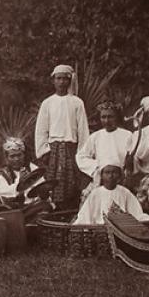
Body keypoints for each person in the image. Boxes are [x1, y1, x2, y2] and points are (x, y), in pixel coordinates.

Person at [35, 64, 90, 210]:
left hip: (71, 149)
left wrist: (82, 154)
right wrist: (43, 151)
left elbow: (83, 130)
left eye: (65, 79)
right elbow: (41, 130)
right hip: (53, 150)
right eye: (58, 79)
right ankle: (54, 212)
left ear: (69, 81)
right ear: (53, 80)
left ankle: (71, 212)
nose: (61, 82)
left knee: (72, 184)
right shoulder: (47, 103)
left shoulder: (77, 102)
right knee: (52, 184)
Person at [76, 101, 133, 205]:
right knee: (88, 200)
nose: (106, 121)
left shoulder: (127, 135)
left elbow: (134, 157)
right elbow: (81, 156)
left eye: (110, 117)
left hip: (121, 179)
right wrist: (97, 168)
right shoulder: (95, 137)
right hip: (101, 179)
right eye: (103, 117)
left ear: (116, 117)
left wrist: (128, 167)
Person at [74, 165, 149, 225]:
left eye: (114, 172)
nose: (110, 176)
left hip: (122, 230)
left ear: (119, 175)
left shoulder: (125, 192)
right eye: (107, 173)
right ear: (102, 175)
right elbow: (85, 216)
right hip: (100, 229)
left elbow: (137, 214)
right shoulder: (95, 193)